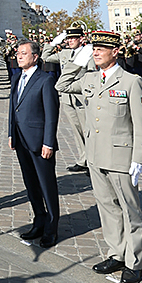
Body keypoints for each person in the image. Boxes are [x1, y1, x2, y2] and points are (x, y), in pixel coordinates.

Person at [57, 29, 142, 283]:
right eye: (93, 49)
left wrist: (139, 159)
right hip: (96, 157)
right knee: (107, 209)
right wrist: (78, 60)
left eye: (100, 49)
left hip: (121, 158)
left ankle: (134, 261)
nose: (95, 52)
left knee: (130, 211)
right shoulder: (90, 79)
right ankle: (116, 253)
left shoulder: (131, 82)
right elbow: (62, 85)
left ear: (115, 52)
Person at [8, 38, 60, 247]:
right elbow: (14, 108)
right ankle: (39, 220)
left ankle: (51, 228)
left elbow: (51, 114)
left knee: (46, 186)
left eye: (23, 53)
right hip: (21, 140)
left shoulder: (45, 80)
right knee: (31, 185)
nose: (19, 56)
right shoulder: (16, 78)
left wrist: (48, 143)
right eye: (18, 53)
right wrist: (11, 133)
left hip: (40, 142)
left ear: (35, 57)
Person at [41, 24, 91, 174]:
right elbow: (45, 57)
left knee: (87, 130)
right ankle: (83, 159)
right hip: (68, 98)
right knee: (76, 131)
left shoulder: (88, 53)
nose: (69, 41)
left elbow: (91, 74)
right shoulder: (64, 53)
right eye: (68, 38)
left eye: (72, 38)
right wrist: (54, 43)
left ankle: (92, 162)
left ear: (81, 38)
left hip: (82, 96)